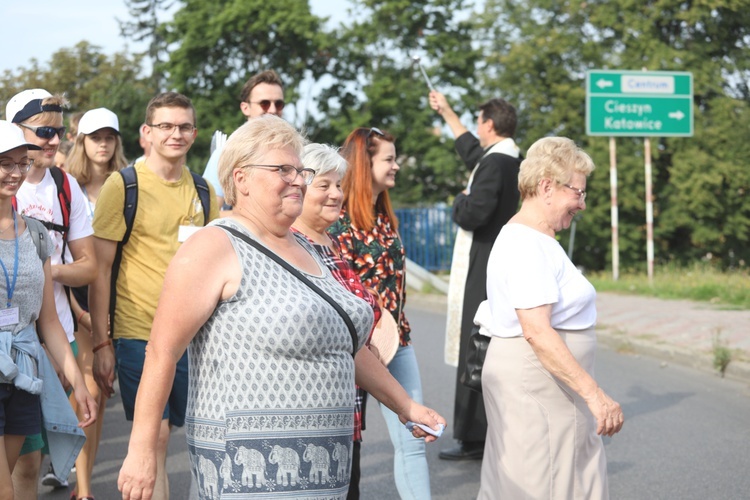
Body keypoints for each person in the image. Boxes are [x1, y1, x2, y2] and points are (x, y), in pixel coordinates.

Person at [116, 116, 445, 500]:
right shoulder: (215, 245)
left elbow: (346, 346)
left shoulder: (311, 248)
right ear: (241, 179)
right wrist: (140, 452)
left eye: (300, 170)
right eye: (282, 169)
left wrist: (405, 406)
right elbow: (162, 351)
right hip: (247, 476)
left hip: (324, 476)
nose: (299, 180)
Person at [477, 136, 624, 499]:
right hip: (538, 388)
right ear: (546, 186)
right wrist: (595, 395)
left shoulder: (536, 240)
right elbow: (538, 331)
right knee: (543, 485)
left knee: (552, 481)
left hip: (547, 390)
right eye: (578, 192)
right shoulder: (526, 244)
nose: (582, 204)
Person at [89, 92, 218, 500]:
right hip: (138, 331)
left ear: (194, 134)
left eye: (183, 126)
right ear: (147, 133)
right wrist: (102, 342)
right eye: (165, 126)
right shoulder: (122, 185)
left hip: (193, 336)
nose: (175, 134)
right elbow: (100, 270)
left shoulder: (203, 190)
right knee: (154, 436)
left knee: (181, 434)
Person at [328, 127, 432, 500]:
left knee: (415, 435)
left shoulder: (384, 216)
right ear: (364, 163)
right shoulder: (336, 223)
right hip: (355, 351)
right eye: (389, 159)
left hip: (397, 344)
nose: (396, 166)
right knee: (347, 449)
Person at [6, 88, 99, 497]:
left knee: (30, 464)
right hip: (15, 352)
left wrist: (79, 376)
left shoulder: (57, 197)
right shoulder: (17, 192)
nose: (55, 141)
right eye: (44, 132)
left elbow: (90, 267)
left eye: (60, 132)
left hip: (36, 349)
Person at [428, 90, 522, 461]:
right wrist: (447, 112)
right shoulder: (509, 158)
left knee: (476, 346)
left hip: (483, 261)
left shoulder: (495, 164)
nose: (477, 128)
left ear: (490, 125)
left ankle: (473, 437)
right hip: (499, 256)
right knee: (488, 344)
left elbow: (472, 213)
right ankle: (488, 431)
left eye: (480, 122)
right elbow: (470, 152)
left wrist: (458, 199)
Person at [65, 107, 128, 500]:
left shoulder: (126, 184)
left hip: (116, 300)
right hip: (74, 303)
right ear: (82, 141)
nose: (103, 144)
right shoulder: (66, 184)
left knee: (100, 396)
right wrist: (80, 313)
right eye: (95, 137)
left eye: (109, 137)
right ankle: (83, 489)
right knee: (86, 388)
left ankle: (81, 483)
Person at [203, 69, 285, 211]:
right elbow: (208, 214)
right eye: (264, 104)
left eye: (278, 104)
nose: (272, 110)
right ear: (245, 108)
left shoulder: (293, 153)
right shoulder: (226, 153)